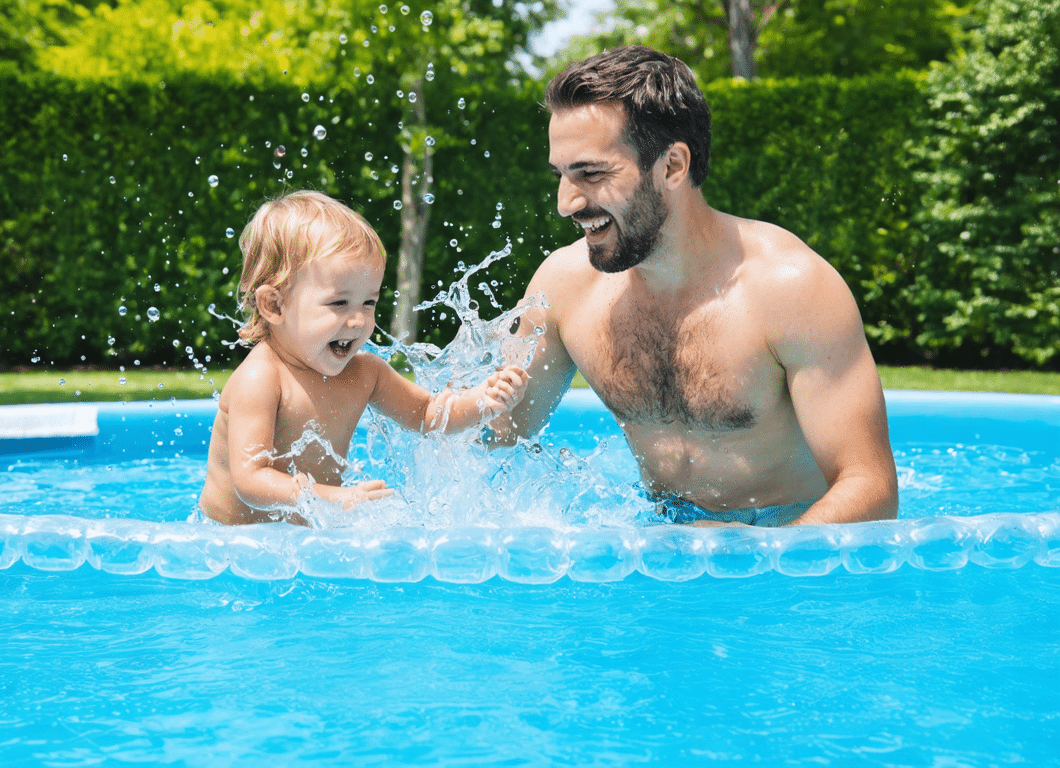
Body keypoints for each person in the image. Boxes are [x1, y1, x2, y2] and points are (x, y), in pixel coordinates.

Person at [491, 46, 898, 526]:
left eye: (592, 173)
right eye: (561, 174)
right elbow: (493, 433)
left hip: (787, 553)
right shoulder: (565, 286)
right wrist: (383, 388)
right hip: (662, 543)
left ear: (672, 167)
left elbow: (871, 489)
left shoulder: (791, 289)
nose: (566, 202)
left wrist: (754, 560)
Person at [201, 191, 529, 525]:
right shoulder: (261, 378)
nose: (358, 321)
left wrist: (483, 401)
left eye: (369, 303)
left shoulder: (364, 373)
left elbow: (427, 414)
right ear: (275, 305)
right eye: (339, 304)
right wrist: (335, 498)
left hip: (302, 540)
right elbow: (251, 480)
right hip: (231, 544)